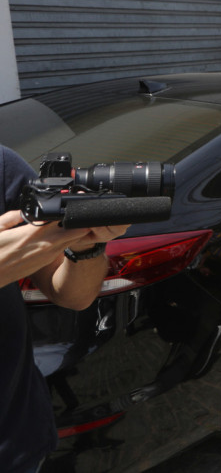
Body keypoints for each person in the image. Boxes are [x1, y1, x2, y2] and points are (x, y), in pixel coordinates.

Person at [1, 146, 130, 472]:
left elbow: (75, 296)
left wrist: (84, 244)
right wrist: (48, 236)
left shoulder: (1, 166)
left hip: (13, 440)